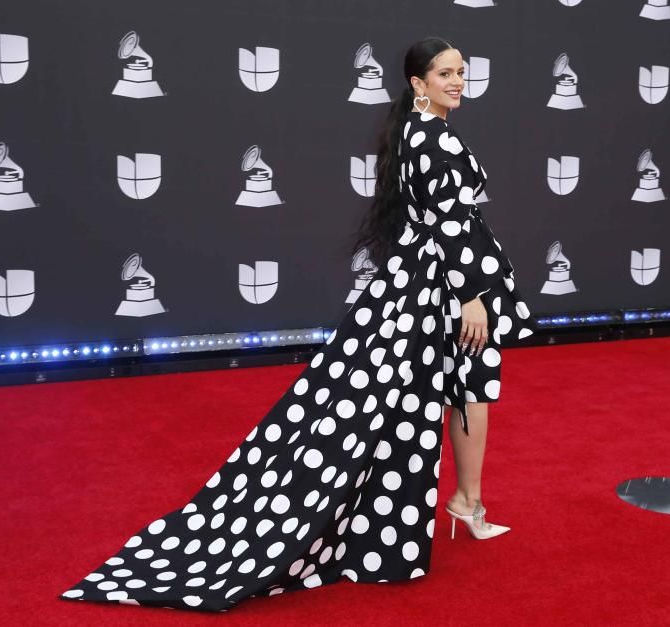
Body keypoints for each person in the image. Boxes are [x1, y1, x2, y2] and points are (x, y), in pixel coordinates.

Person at [59, 36, 537, 613]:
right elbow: (448, 223)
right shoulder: (432, 136)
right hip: (445, 283)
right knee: (441, 390)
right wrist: (472, 295)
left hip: (424, 277)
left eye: (461, 71)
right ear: (418, 83)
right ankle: (450, 509)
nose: (457, 81)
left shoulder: (414, 131)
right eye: (444, 73)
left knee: (450, 386)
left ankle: (467, 503)